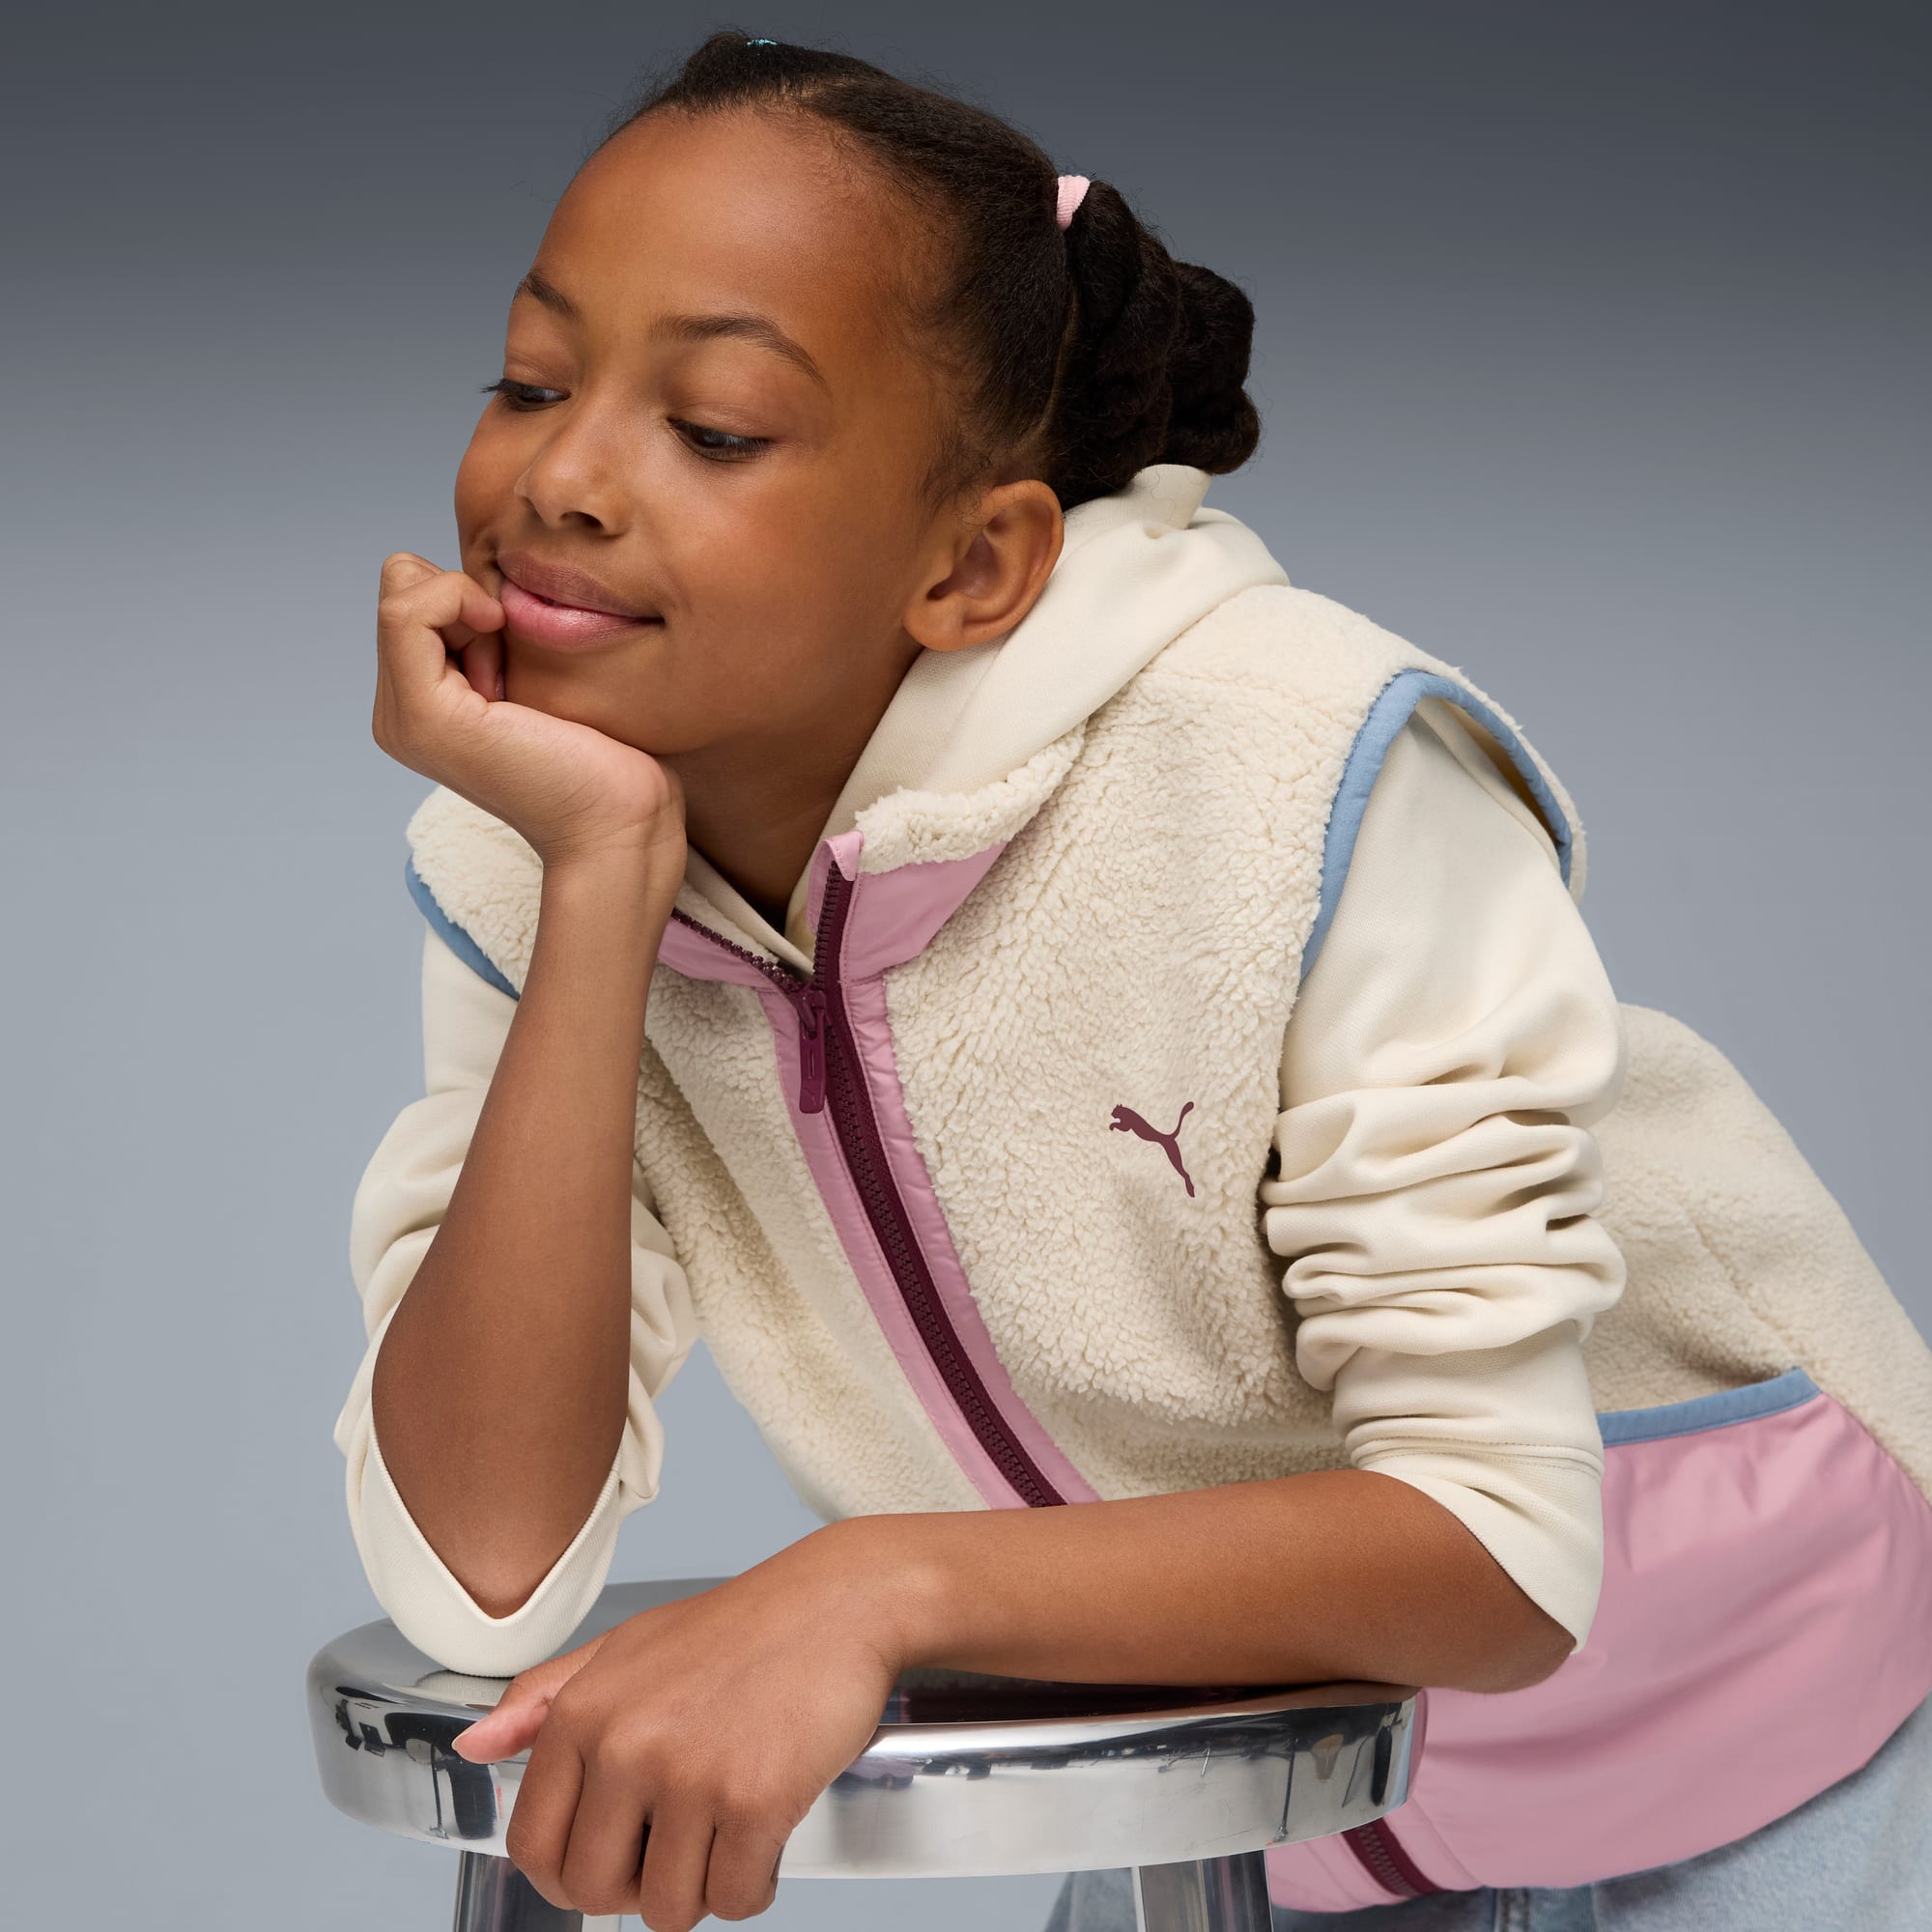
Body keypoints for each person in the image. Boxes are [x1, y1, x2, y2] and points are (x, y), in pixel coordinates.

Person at [333, 30, 1932, 1932]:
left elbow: (1502, 1550)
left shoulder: (1293, 766)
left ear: (974, 562)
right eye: (531, 379)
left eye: (717, 426)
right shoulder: (527, 869)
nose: (562, 478)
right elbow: (481, 1572)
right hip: (1240, 1811)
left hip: (1782, 1761)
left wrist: (879, 1582)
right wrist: (600, 884)